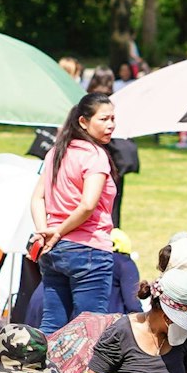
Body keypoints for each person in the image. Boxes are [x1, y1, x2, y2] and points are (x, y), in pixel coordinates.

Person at [32, 93, 118, 335]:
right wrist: (55, 232)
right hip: (89, 250)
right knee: (88, 331)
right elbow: (88, 204)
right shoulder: (95, 155)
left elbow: (37, 198)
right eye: (104, 119)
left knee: (51, 326)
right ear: (83, 121)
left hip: (55, 251)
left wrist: (45, 233)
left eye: (113, 118)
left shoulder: (56, 152)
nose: (110, 124)